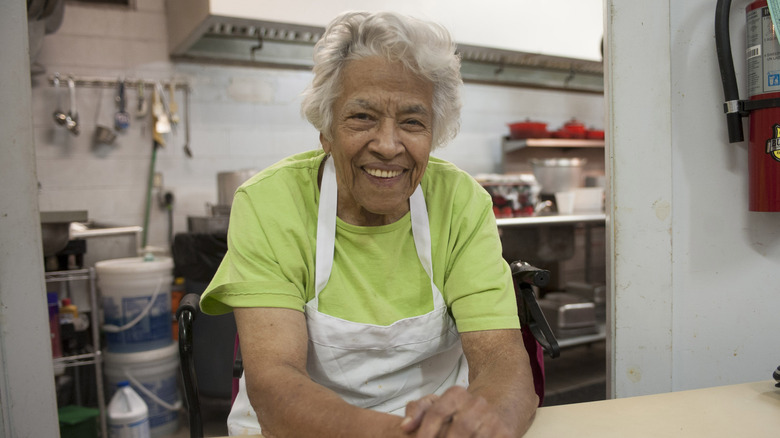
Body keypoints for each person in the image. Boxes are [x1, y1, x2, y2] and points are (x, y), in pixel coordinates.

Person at [200, 10, 539, 437]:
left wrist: (490, 421)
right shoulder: (271, 203)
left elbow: (502, 362)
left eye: (413, 122)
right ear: (326, 129)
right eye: (362, 117)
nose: (387, 145)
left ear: (434, 134)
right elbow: (275, 383)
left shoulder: (461, 204)